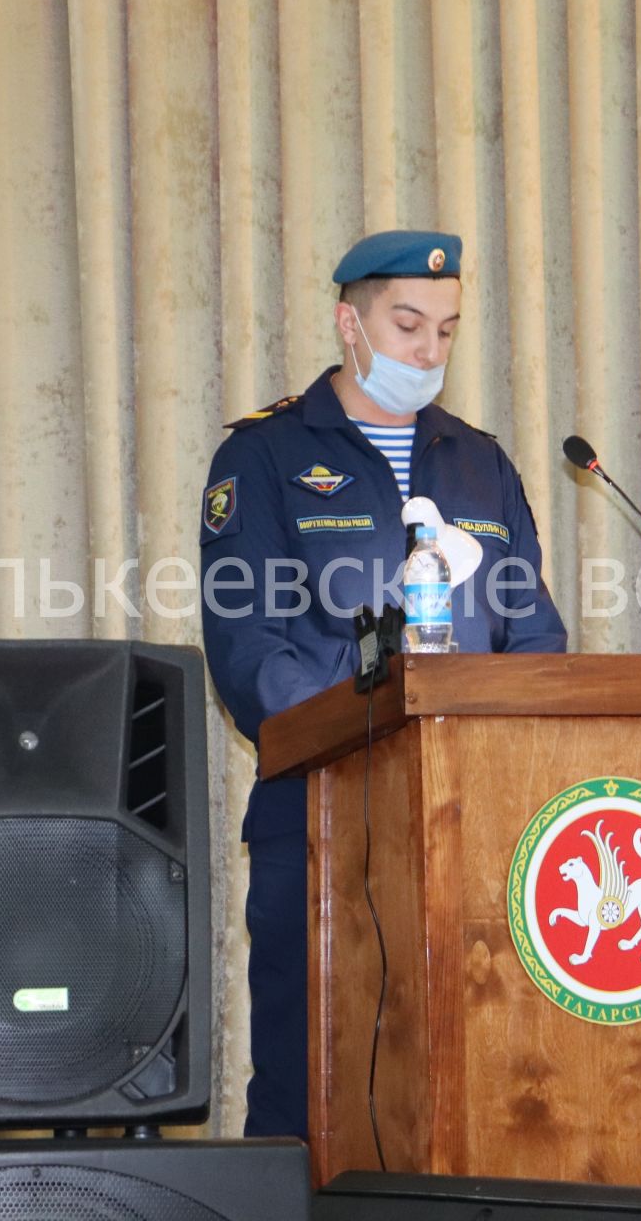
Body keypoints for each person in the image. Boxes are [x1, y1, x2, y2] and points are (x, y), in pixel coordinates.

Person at [198, 228, 568, 1138]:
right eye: (406, 324)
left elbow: (537, 638)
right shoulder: (266, 457)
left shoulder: (479, 460)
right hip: (325, 826)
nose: (427, 351)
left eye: (445, 330)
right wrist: (380, 665)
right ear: (348, 322)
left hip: (479, 823)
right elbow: (252, 661)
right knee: (311, 1089)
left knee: (481, 1084)